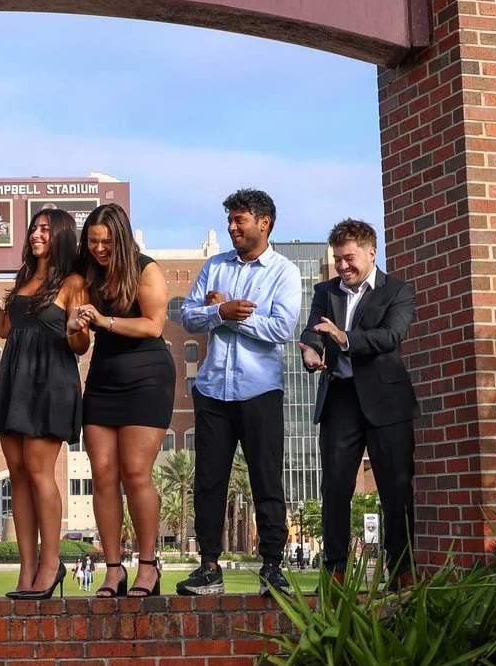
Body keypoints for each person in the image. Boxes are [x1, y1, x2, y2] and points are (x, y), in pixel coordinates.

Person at [173, 188, 302, 595]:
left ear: (263, 223)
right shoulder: (214, 266)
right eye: (230, 220)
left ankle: (272, 567)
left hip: (260, 391)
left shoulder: (284, 271)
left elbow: (281, 329)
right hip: (212, 391)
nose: (231, 227)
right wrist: (219, 310)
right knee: (209, 481)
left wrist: (230, 316)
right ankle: (209, 567)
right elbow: (189, 318)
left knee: (267, 479)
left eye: (238, 220)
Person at [302, 218, 419, 584]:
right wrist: (311, 349)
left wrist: (344, 337)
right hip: (340, 399)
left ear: (371, 253)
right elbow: (313, 330)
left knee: (396, 489)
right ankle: (335, 571)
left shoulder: (398, 291)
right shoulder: (326, 291)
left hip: (387, 402)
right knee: (335, 487)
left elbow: (391, 336)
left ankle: (401, 572)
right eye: (337, 259)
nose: (342, 266)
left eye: (349, 258)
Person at [69, 203, 174, 599]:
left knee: (134, 473)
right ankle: (113, 570)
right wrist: (76, 328)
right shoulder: (86, 275)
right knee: (103, 476)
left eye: (107, 241)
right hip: (102, 379)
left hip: (148, 378)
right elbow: (80, 345)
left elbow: (154, 325)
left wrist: (104, 321)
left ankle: (148, 566)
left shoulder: (146, 269)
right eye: (93, 241)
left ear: (123, 238)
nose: (99, 248)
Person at [0, 206, 87, 599]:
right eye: (33, 229)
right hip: (14, 379)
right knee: (19, 475)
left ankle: (51, 563)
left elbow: (80, 343)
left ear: (60, 235)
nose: (36, 235)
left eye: (44, 229)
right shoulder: (26, 277)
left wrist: (76, 329)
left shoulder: (73, 281)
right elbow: (6, 329)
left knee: (40, 473)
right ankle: (27, 571)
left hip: (51, 381)